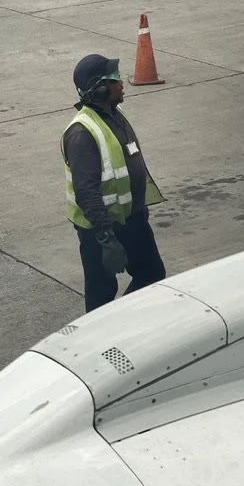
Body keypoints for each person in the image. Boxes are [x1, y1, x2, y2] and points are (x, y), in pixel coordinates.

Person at [61, 53, 167, 312]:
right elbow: (86, 191)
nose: (122, 83)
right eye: (115, 79)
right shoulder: (81, 133)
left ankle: (122, 320)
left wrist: (140, 209)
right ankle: (102, 331)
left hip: (132, 220)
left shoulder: (114, 114)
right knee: (101, 295)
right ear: (99, 89)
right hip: (101, 230)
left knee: (152, 274)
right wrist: (106, 238)